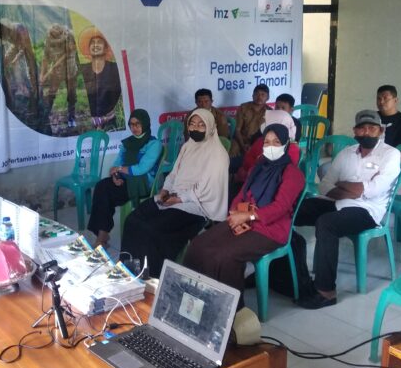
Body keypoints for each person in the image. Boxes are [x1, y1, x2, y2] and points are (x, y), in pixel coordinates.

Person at [183, 124, 304, 302]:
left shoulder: (292, 173)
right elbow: (241, 194)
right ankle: (193, 299)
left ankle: (229, 311)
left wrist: (249, 216)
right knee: (198, 246)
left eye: (276, 142)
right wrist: (234, 212)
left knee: (224, 256)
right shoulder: (259, 166)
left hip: (270, 229)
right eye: (267, 142)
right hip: (243, 219)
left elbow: (281, 207)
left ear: (286, 145)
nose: (270, 147)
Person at [294, 110, 401, 309]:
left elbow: (374, 191)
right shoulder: (347, 153)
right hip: (337, 202)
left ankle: (326, 291)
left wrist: (346, 186)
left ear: (380, 130)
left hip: (368, 211)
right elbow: (325, 185)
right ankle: (291, 274)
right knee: (294, 211)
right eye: (362, 128)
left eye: (372, 128)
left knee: (326, 224)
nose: (367, 133)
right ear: (355, 131)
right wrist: (356, 188)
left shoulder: (390, 154)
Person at [122, 109, 228, 277]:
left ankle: (152, 277)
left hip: (195, 205)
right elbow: (174, 173)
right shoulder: (188, 146)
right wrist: (165, 190)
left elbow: (205, 188)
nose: (196, 128)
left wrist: (178, 199)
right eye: (192, 124)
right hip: (173, 196)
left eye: (201, 125)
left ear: (210, 127)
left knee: (152, 230)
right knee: (132, 220)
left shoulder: (217, 153)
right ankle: (129, 270)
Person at [86, 109, 162, 246]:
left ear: (145, 123)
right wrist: (115, 175)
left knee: (107, 193)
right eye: (131, 124)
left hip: (142, 183)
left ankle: (102, 237)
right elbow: (116, 164)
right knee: (102, 186)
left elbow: (142, 168)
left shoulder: (154, 144)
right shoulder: (127, 143)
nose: (134, 128)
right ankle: (102, 235)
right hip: (125, 178)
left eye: (138, 124)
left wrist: (120, 170)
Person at [0, 19, 41, 131]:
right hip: (17, 47)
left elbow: (25, 48)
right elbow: (13, 48)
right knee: (4, 62)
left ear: (7, 30)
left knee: (32, 76)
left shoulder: (20, 29)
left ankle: (35, 107)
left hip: (28, 49)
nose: (6, 39)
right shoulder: (6, 34)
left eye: (5, 36)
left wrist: (16, 58)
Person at [78, 27, 122, 130]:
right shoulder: (82, 70)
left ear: (106, 48)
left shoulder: (115, 68)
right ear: (88, 48)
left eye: (99, 42)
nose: (95, 45)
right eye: (92, 43)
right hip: (88, 125)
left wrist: (105, 119)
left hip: (112, 124)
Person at [40, 24, 79, 129]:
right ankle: (45, 117)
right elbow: (45, 58)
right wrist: (42, 75)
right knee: (51, 93)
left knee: (71, 95)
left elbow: (72, 49)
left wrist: (68, 48)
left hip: (70, 69)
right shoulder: (48, 39)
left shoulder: (70, 35)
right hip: (56, 71)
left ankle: (71, 118)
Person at [230, 83, 269, 162]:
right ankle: (231, 173)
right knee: (233, 148)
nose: (259, 97)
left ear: (267, 98)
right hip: (241, 140)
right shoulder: (243, 108)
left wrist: (254, 145)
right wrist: (243, 145)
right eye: (257, 94)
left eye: (263, 95)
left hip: (259, 142)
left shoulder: (270, 112)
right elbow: (237, 130)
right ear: (252, 95)